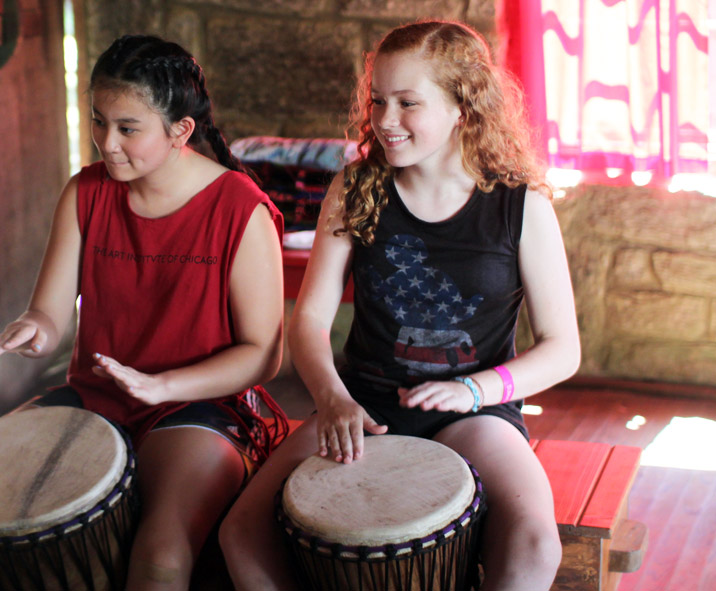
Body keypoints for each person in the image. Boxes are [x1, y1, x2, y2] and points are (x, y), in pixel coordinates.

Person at [0, 34, 288, 591]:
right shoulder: (85, 191)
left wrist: (162, 387)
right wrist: (32, 330)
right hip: (98, 397)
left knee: (161, 552)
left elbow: (265, 356)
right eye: (98, 120)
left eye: (128, 128)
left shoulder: (240, 209)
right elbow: (49, 313)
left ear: (181, 130)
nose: (107, 142)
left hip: (199, 403)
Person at [220, 19, 581, 591]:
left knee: (536, 546)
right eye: (379, 100)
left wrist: (473, 390)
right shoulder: (357, 188)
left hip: (473, 413)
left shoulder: (521, 206)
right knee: (240, 532)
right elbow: (310, 320)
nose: (386, 120)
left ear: (463, 105)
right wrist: (332, 400)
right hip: (361, 406)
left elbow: (563, 350)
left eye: (408, 103)